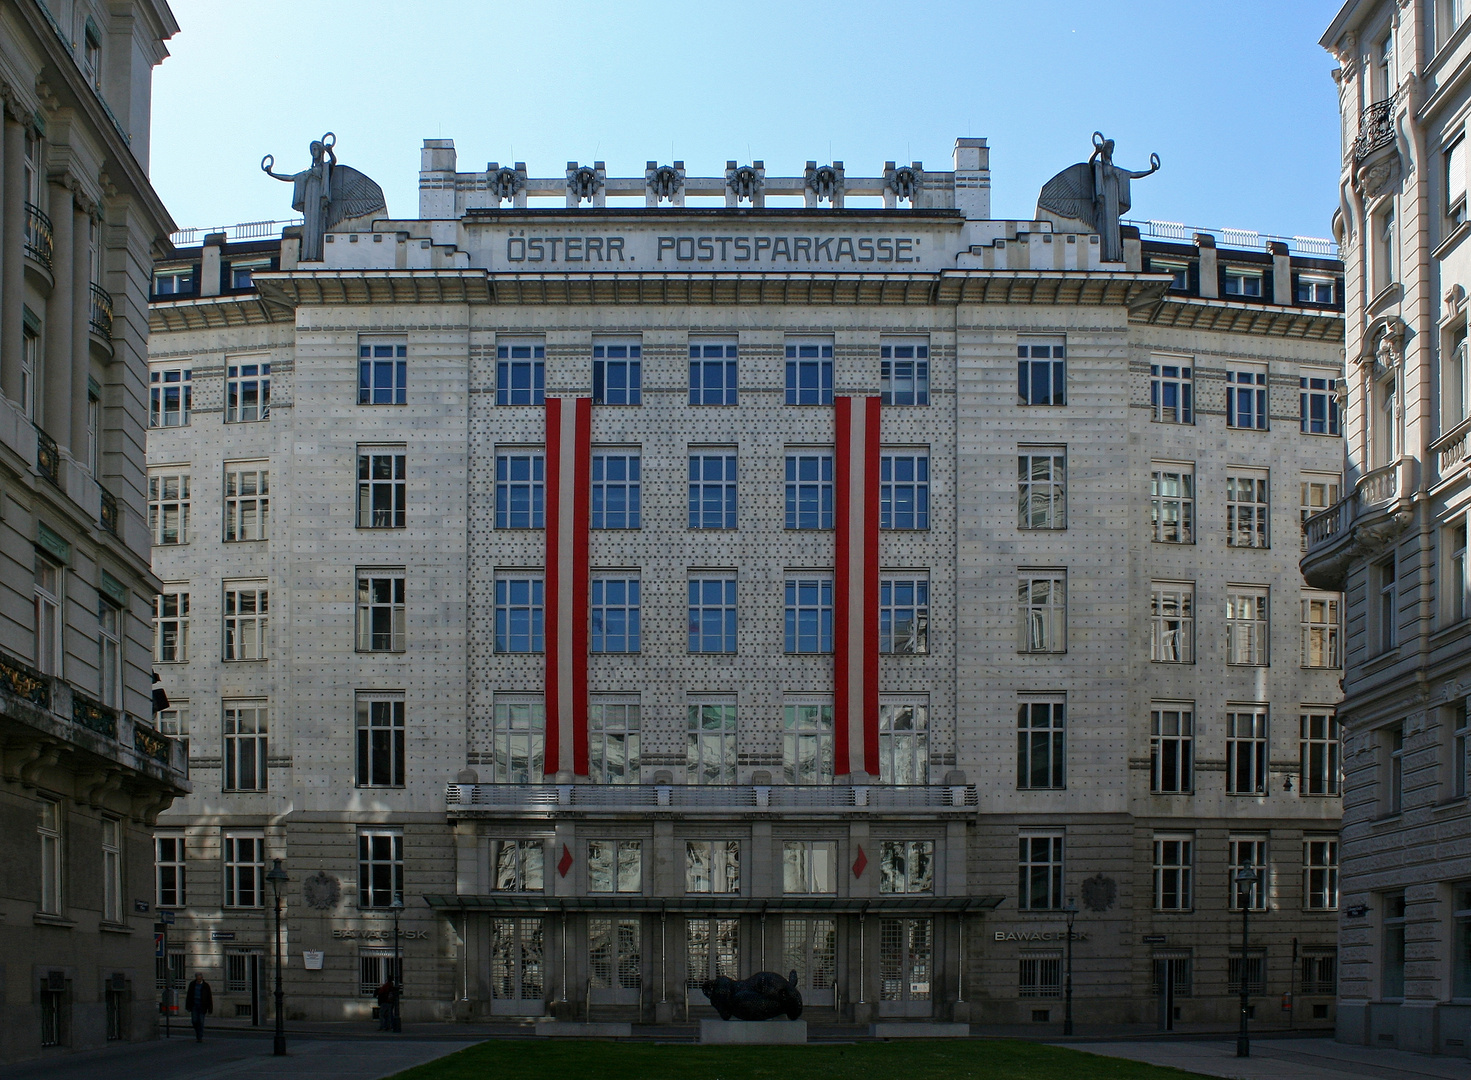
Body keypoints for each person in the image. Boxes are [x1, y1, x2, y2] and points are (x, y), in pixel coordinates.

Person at [184, 972, 212, 1042]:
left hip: (202, 1006)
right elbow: (189, 996)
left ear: (202, 978)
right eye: (198, 979)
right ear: (196, 978)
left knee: (201, 1022)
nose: (199, 981)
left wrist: (210, 1008)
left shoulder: (206, 986)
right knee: (194, 1021)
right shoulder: (192, 984)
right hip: (194, 1006)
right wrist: (188, 1006)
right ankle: (198, 1032)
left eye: (200, 979)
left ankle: (200, 1036)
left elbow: (209, 997)